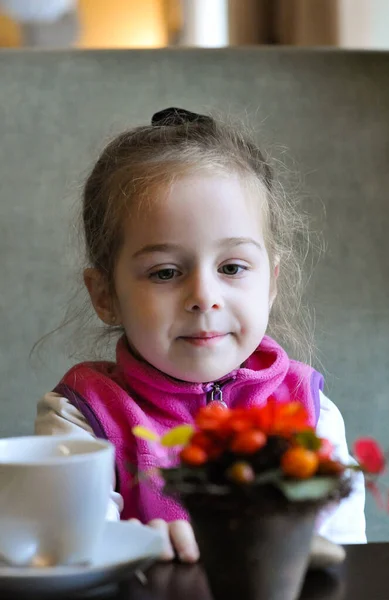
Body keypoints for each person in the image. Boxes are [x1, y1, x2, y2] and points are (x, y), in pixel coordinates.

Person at [35, 107, 366, 563]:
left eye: (232, 267)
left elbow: (343, 561)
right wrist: (142, 548)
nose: (204, 297)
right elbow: (71, 552)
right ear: (105, 293)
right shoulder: (80, 418)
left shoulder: (311, 412)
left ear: (270, 283)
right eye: (165, 272)